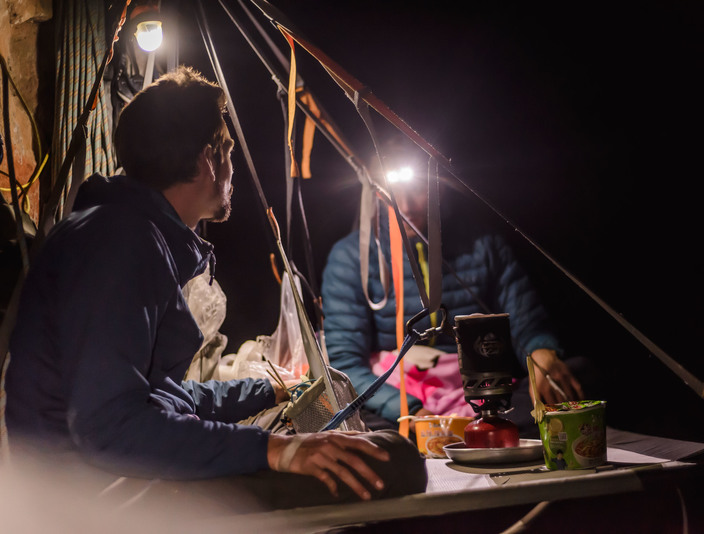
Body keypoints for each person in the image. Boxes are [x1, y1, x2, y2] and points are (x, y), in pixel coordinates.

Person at [3, 67, 425, 512]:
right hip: (91, 496)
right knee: (389, 460)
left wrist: (270, 390)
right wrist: (276, 451)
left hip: (107, 472)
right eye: (228, 149)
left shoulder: (123, 231)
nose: (231, 167)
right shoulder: (121, 244)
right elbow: (108, 428)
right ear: (209, 157)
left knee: (329, 438)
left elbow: (159, 397)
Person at [321, 139, 588, 437]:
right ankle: (474, 433)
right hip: (397, 394)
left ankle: (482, 429)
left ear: (439, 187)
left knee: (574, 376)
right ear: (374, 194)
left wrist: (541, 352)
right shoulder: (351, 258)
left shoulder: (481, 244)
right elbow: (345, 364)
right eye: (393, 190)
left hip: (477, 387)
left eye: (418, 188)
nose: (406, 205)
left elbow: (526, 319)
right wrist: (410, 412)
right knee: (358, 424)